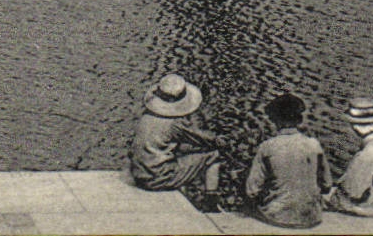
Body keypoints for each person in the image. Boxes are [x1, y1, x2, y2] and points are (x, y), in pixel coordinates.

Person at [129, 74, 223, 203]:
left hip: (139, 175)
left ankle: (190, 193)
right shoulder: (175, 124)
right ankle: (211, 202)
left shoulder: (145, 115)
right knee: (213, 155)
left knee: (180, 153)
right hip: (157, 179)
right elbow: (204, 139)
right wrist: (221, 139)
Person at [244, 93, 331, 228]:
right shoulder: (314, 144)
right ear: (299, 120)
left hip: (278, 216)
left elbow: (252, 190)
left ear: (275, 120)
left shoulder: (268, 146)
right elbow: (327, 185)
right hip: (312, 216)